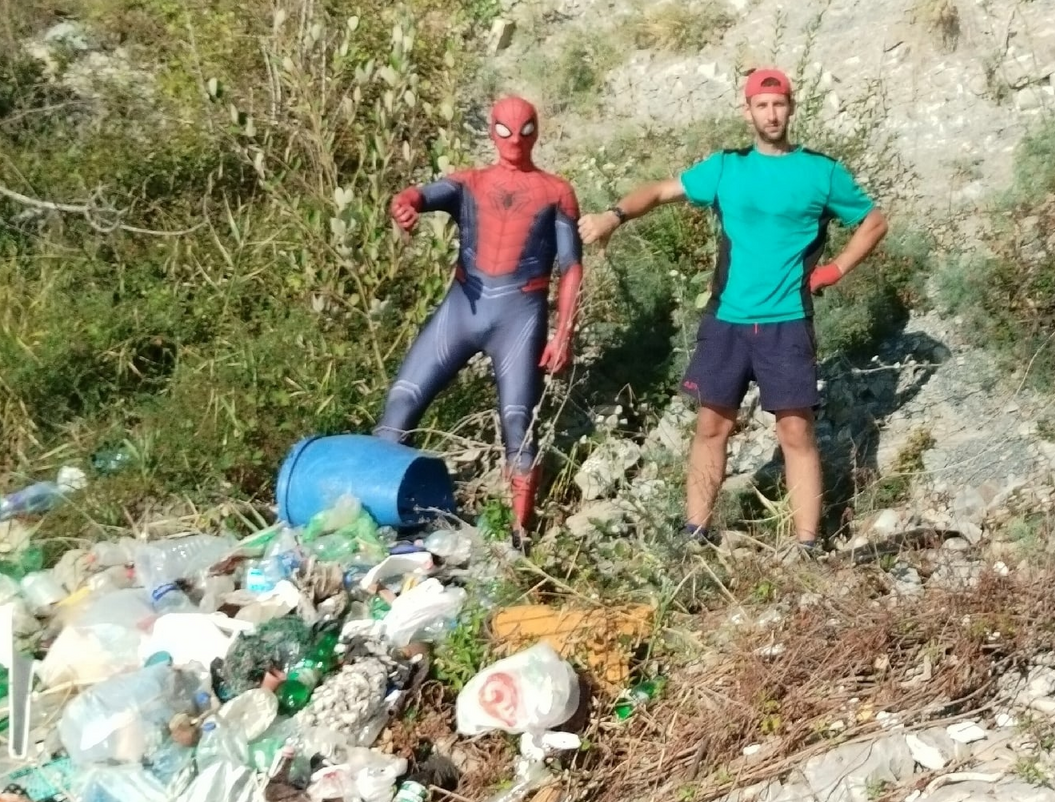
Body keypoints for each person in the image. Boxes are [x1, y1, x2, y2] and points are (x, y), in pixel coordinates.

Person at [577, 68, 890, 552]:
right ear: (748, 111)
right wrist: (612, 216)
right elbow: (659, 191)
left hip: (786, 321)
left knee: (795, 431)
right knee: (711, 426)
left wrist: (835, 269)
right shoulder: (726, 167)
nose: (772, 114)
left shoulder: (820, 172)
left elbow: (873, 221)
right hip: (726, 320)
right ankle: (695, 535)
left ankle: (807, 546)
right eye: (762, 105)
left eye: (779, 104)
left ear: (791, 108)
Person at [374, 95, 583, 548]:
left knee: (517, 421)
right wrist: (403, 204)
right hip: (463, 306)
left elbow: (571, 267)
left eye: (525, 130)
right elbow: (419, 195)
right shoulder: (469, 182)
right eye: (505, 130)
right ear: (491, 132)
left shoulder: (556, 192)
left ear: (537, 132)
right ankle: (379, 513)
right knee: (403, 398)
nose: (515, 141)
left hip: (519, 316)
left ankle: (520, 536)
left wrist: (563, 333)